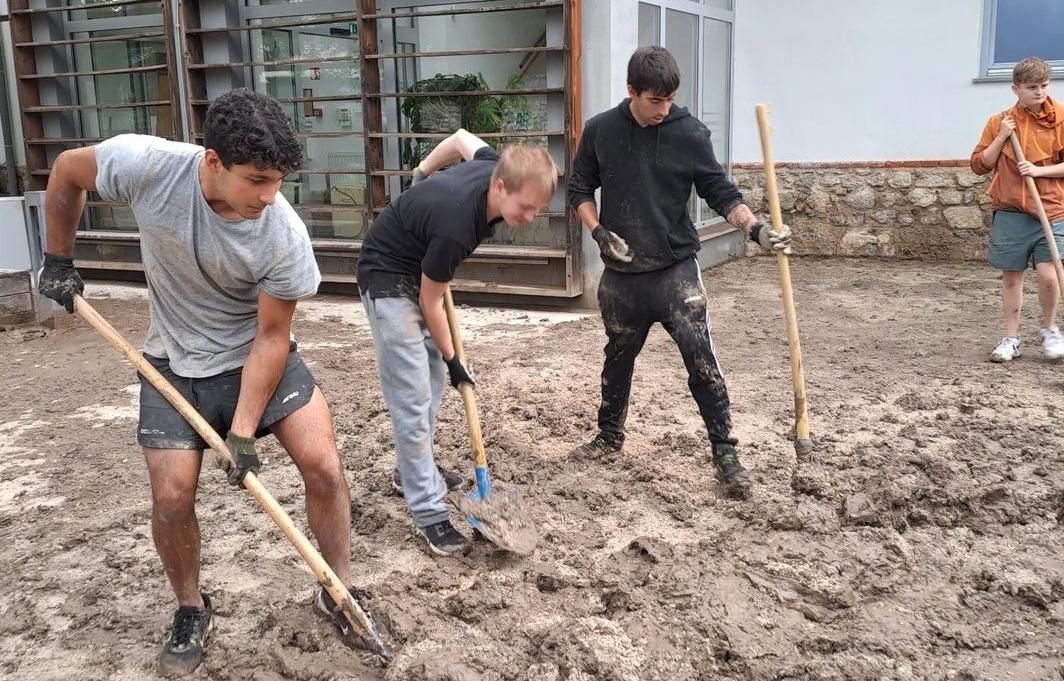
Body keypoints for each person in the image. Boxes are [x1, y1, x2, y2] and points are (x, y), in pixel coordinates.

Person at [38, 89, 362, 676]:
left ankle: (338, 588)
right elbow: (65, 172)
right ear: (212, 162)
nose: (270, 196)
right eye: (257, 180)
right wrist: (57, 257)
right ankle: (191, 607)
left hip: (254, 355)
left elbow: (271, 337)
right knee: (171, 496)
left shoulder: (282, 234)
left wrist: (242, 433)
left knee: (324, 466)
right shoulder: (146, 165)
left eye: (279, 181)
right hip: (172, 360)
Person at [567, 46, 792, 496]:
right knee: (617, 360)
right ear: (631, 91)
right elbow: (578, 189)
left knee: (701, 360)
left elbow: (719, 192)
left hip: (675, 271)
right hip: (623, 275)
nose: (663, 110)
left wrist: (756, 229)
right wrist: (597, 232)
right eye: (654, 101)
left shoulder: (689, 133)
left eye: (669, 100)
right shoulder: (600, 132)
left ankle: (725, 452)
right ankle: (609, 436)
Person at [357, 129, 557, 556]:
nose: (529, 217)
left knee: (429, 384)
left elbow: (463, 138)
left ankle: (409, 469)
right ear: (500, 187)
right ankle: (428, 512)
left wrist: (423, 169)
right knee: (412, 397)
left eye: (537, 210)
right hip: (388, 279)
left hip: (420, 267)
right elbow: (431, 303)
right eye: (524, 207)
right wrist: (454, 362)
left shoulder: (492, 165)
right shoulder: (456, 227)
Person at [971, 57, 1064, 363]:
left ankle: (1050, 329)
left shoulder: (1061, 118)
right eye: (1032, 87)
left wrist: (1039, 172)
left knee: (1049, 276)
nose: (1040, 92)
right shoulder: (1000, 121)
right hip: (1010, 211)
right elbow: (979, 165)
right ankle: (1012, 338)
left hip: (1051, 209)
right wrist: (1001, 136)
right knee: (1012, 278)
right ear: (1016, 89)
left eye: (1044, 85)